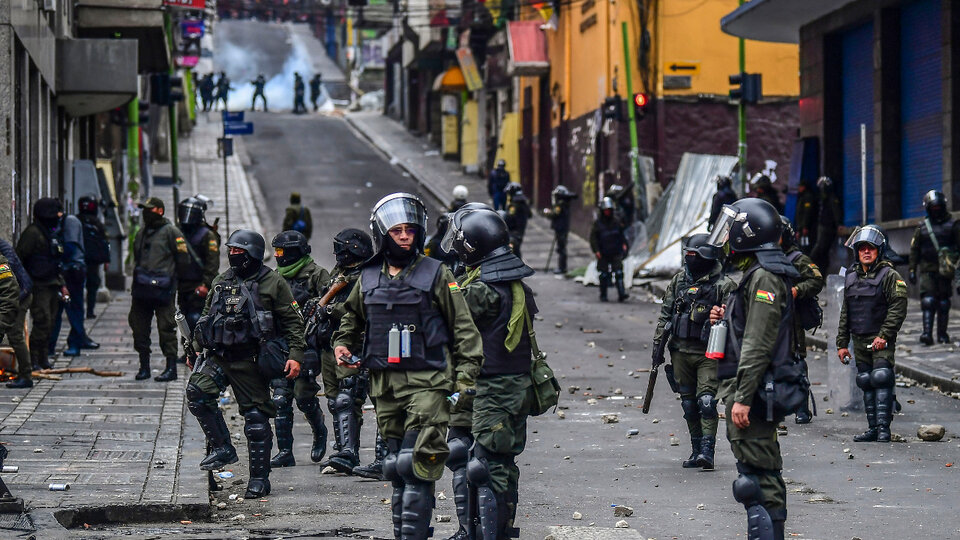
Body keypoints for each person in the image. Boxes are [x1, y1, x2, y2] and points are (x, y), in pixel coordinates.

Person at [332, 193, 483, 538]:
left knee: (416, 465)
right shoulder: (368, 277)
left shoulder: (437, 274)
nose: (404, 236)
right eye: (397, 231)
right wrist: (343, 346)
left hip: (428, 382)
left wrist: (463, 382)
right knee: (394, 467)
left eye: (410, 230)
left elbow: (465, 331)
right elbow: (351, 320)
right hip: (384, 385)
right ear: (383, 234)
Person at [706, 197, 802, 540]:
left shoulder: (763, 278)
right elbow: (749, 328)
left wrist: (743, 397)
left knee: (757, 480)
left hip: (757, 390)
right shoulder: (756, 275)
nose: (727, 239)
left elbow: (759, 344)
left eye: (732, 232)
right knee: (756, 474)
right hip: (753, 387)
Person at [442, 206, 538, 539]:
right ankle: (470, 529)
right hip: (477, 384)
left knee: (488, 465)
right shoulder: (501, 281)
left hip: (497, 388)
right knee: (462, 452)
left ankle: (493, 533)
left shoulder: (485, 290)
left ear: (472, 245)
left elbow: (445, 311)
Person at [190, 230, 306, 499]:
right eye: (230, 251)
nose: (233, 256)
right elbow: (206, 319)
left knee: (256, 420)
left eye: (239, 252)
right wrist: (195, 349)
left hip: (251, 360)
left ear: (253, 254)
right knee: (198, 392)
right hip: (219, 356)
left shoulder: (273, 283)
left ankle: (259, 479)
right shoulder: (221, 281)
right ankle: (223, 448)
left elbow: (293, 323)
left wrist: (296, 356)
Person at [654, 234, 736, 470]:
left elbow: (736, 319)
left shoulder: (724, 285)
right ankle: (696, 449)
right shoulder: (679, 281)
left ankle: (707, 452)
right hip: (680, 351)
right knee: (689, 404)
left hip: (709, 353)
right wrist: (657, 348)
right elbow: (665, 316)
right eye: (687, 255)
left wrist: (722, 316)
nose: (689, 260)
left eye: (694, 255)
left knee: (707, 401)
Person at [312, 229, 380, 476]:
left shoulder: (367, 274)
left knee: (359, 397)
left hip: (358, 342)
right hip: (333, 341)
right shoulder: (339, 273)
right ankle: (344, 450)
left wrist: (330, 310)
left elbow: (357, 310)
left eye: (342, 248)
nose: (337, 253)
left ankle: (374, 457)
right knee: (338, 400)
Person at [837, 225, 908, 443]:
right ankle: (872, 429)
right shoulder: (851, 277)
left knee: (881, 378)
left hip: (880, 339)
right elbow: (845, 313)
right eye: (862, 249)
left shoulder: (889, 275)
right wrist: (841, 343)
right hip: (859, 338)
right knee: (865, 380)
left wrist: (884, 335)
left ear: (879, 250)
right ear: (857, 252)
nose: (866, 252)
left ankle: (884, 429)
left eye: (871, 248)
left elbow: (898, 307)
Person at [269, 231, 329, 467]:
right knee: (281, 399)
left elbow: (330, 306)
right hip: (281, 345)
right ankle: (285, 452)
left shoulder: (316, 274)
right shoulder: (275, 277)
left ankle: (320, 430)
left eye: (280, 251)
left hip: (308, 345)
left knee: (304, 396)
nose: (276, 256)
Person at [128, 197, 193, 381]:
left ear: (160, 210)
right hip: (141, 290)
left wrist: (173, 280)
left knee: (166, 328)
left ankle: (170, 367)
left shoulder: (171, 232)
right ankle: (144, 366)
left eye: (150, 209)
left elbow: (183, 259)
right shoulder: (142, 232)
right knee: (138, 326)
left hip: (164, 290)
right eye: (144, 209)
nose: (146, 213)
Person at [166, 196, 220, 380]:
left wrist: (206, 284)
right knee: (184, 320)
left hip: (199, 285)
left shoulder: (207, 235)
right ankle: (188, 350)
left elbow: (212, 263)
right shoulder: (179, 232)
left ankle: (200, 351)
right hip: (183, 285)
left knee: (198, 318)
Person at [780, 217, 824, 425]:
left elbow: (816, 280)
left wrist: (798, 290)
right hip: (767, 318)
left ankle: (801, 408)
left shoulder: (797, 259)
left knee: (796, 362)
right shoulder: (763, 259)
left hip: (791, 319)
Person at [17, 198, 67, 371]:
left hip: (52, 283)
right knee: (42, 321)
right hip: (38, 286)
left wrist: (62, 284)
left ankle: (43, 357)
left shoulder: (50, 233)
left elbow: (56, 261)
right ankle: (34, 359)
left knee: (51, 322)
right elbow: (19, 258)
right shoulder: (33, 234)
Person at [908, 190, 958, 345]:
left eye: (938, 207)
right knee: (928, 301)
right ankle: (927, 333)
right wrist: (912, 269)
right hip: (927, 270)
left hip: (945, 271)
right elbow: (914, 250)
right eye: (933, 207)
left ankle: (942, 334)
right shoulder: (922, 227)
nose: (936, 210)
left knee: (943, 303)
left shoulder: (953, 225)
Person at [50, 210, 97, 357]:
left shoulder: (70, 221)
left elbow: (69, 248)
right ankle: (50, 345)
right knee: (56, 310)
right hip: (64, 270)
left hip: (73, 271)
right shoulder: (59, 223)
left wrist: (54, 252)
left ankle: (75, 343)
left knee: (73, 308)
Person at [0, 239, 32, 388]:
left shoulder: (3, 256)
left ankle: (26, 375)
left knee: (15, 335)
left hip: (20, 294)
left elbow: (9, 287)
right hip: (16, 292)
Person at [590, 197, 628, 302]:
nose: (608, 212)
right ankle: (603, 295)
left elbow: (621, 235)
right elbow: (593, 239)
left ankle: (622, 294)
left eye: (609, 210)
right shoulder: (598, 224)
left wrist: (624, 246)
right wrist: (596, 250)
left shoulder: (616, 222)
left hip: (615, 251)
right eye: (606, 210)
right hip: (603, 253)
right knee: (604, 275)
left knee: (619, 273)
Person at [77, 195, 109, 319]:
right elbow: (105, 242)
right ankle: (90, 310)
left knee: (79, 286)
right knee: (91, 286)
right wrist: (106, 260)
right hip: (92, 260)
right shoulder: (97, 224)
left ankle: (81, 310)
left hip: (80, 259)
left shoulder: (76, 220)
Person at [809, 176, 842, 272]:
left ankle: (810, 266)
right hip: (823, 225)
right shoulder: (822, 199)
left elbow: (836, 211)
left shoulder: (831, 198)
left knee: (819, 250)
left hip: (827, 226)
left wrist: (838, 223)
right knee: (822, 252)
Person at [543, 185, 578, 275]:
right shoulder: (565, 203)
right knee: (561, 248)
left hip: (561, 228)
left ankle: (562, 268)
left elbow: (554, 214)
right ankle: (562, 267)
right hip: (562, 228)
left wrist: (548, 213)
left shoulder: (561, 205)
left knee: (561, 248)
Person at [503, 183, 532, 260]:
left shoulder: (514, 205)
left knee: (513, 254)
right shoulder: (523, 203)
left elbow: (508, 219)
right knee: (516, 251)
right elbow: (530, 214)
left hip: (513, 233)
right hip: (520, 232)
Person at [793, 183, 818, 253]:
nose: (799, 188)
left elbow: (807, 212)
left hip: (807, 228)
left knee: (806, 247)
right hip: (802, 227)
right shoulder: (802, 197)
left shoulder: (808, 197)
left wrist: (805, 227)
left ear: (804, 187)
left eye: (800, 186)